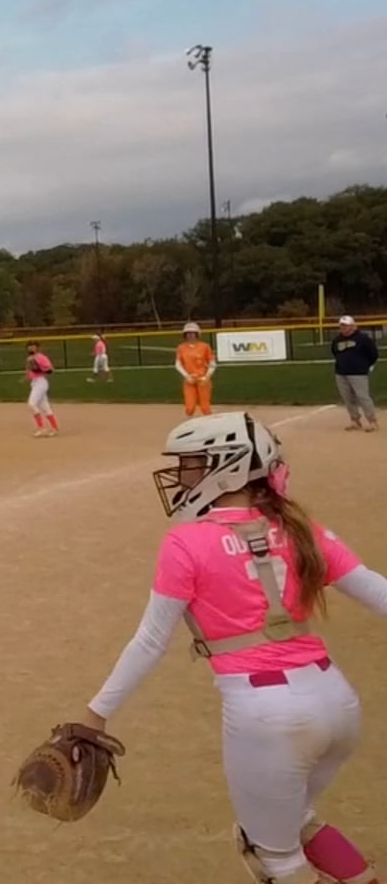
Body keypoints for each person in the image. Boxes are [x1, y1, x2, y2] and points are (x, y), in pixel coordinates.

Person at [80, 413, 387, 883]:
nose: (181, 474)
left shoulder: (186, 541)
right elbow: (378, 592)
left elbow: (151, 641)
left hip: (267, 713)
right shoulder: (301, 529)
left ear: (226, 467)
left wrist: (96, 714)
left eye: (191, 464)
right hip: (337, 703)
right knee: (296, 821)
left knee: (274, 857)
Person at [330, 315, 378, 433]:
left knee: (363, 397)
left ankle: (372, 421)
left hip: (358, 373)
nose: (343, 328)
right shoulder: (337, 340)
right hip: (341, 373)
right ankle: (355, 420)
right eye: (341, 326)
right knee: (347, 398)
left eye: (346, 326)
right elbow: (335, 352)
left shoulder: (363, 339)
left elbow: (373, 354)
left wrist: (365, 365)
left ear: (353, 326)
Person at [177, 322, 217, 416]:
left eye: (193, 333)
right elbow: (178, 364)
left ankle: (209, 421)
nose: (190, 335)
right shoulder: (181, 348)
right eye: (188, 333)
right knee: (190, 408)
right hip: (189, 379)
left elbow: (212, 363)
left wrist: (207, 376)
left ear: (197, 334)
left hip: (203, 379)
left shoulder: (205, 346)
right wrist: (186, 376)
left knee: (205, 407)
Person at [24, 341, 58, 437]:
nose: (31, 348)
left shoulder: (41, 357)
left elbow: (51, 369)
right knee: (45, 407)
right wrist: (28, 375)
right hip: (35, 383)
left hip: (41, 382)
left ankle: (41, 427)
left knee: (31, 404)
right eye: (29, 347)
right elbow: (30, 371)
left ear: (37, 348)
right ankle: (55, 428)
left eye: (33, 347)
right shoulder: (30, 358)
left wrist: (38, 369)